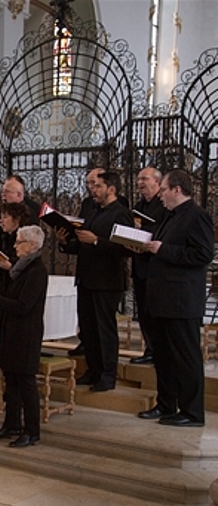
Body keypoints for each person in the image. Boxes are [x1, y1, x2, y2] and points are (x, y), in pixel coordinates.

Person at [137, 170, 214, 427]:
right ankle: (166, 404)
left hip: (182, 301)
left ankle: (192, 412)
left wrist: (164, 249)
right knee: (165, 356)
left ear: (177, 190)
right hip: (163, 299)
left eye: (164, 190)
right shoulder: (171, 217)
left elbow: (202, 255)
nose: (160, 196)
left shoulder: (197, 216)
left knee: (186, 357)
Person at [57, 171, 133, 392]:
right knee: (88, 329)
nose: (93, 190)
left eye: (98, 186)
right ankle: (93, 370)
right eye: (92, 186)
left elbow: (126, 249)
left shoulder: (122, 213)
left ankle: (108, 375)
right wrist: (65, 242)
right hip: (87, 278)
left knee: (104, 330)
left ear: (111, 188)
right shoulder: (92, 211)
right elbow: (81, 245)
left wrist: (97, 241)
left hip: (107, 281)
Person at [0, 225, 48, 447]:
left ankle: (32, 430)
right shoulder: (21, 269)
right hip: (12, 333)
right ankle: (11, 425)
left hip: (26, 335)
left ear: (31, 245)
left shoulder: (36, 271)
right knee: (12, 382)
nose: (14, 246)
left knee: (26, 383)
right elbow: (12, 297)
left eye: (18, 242)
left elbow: (23, 306)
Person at [0, 202, 33, 357]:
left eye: (5, 217)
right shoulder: (5, 236)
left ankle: (2, 343)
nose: (1, 220)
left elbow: (23, 263)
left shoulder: (21, 237)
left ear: (16, 219)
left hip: (13, 283)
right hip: (2, 280)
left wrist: (9, 265)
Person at [129, 167, 168, 365]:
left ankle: (158, 350)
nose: (140, 183)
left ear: (157, 182)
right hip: (140, 265)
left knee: (155, 311)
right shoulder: (139, 206)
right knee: (143, 310)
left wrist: (142, 230)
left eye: (144, 179)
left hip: (157, 268)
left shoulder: (164, 207)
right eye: (138, 180)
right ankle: (150, 348)